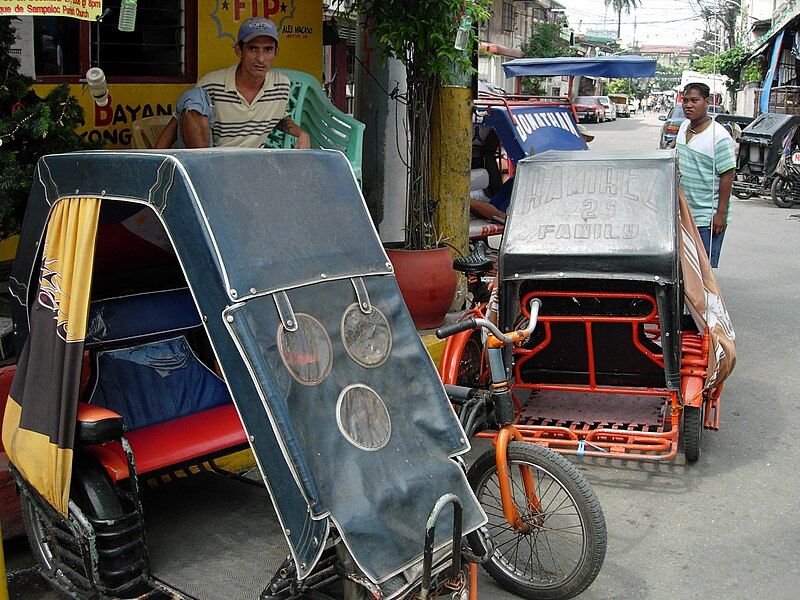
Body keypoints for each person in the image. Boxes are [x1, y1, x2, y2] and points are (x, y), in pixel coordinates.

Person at [155, 17, 310, 150]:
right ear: (239, 50)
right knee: (192, 96)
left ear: (276, 52)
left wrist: (301, 134)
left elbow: (278, 117)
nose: (261, 59)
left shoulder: (281, 85)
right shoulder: (212, 84)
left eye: (268, 50)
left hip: (251, 167)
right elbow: (179, 121)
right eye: (253, 49)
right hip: (210, 161)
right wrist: (153, 164)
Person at [675, 82, 736, 267]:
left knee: (703, 270)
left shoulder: (719, 136)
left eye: (694, 100)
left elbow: (728, 174)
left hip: (706, 217)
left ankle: (706, 297)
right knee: (683, 268)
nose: (688, 105)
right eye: (685, 100)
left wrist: (721, 214)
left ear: (706, 102)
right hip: (682, 212)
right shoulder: (684, 127)